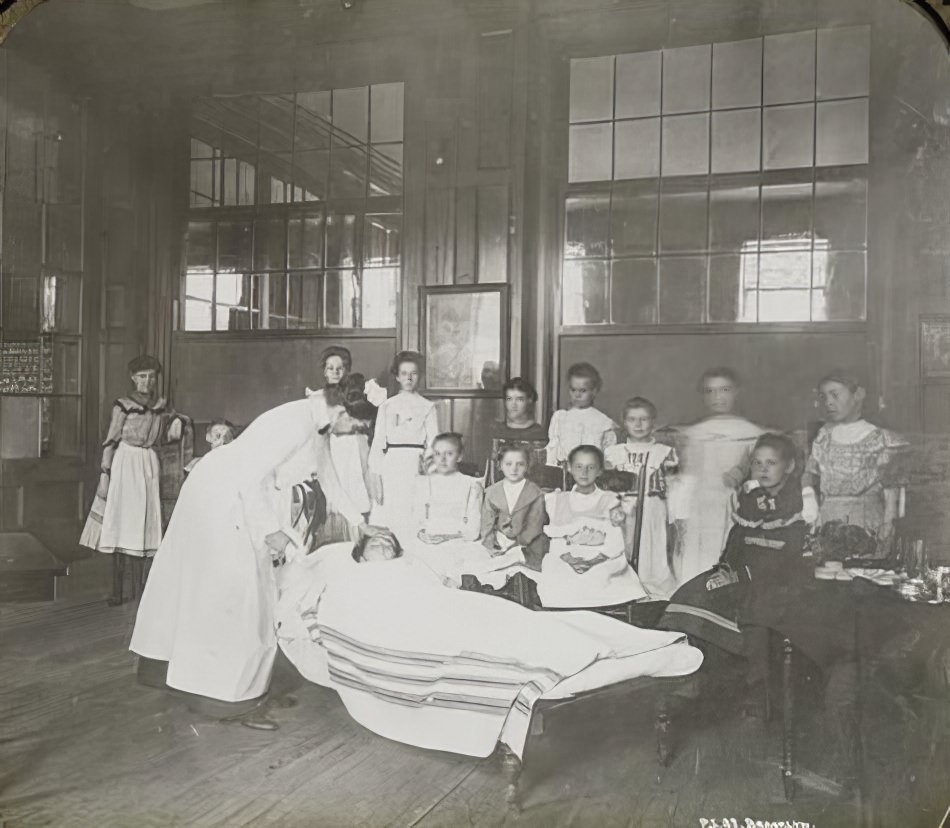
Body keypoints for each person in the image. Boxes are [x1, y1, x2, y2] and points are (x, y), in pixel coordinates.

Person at [129, 373, 377, 729]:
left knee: (222, 589)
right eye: (356, 425)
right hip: (225, 497)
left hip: (230, 492)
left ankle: (204, 683)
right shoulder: (294, 421)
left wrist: (359, 520)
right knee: (239, 593)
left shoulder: (315, 420)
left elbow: (328, 476)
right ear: (341, 412)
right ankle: (228, 700)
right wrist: (271, 532)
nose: (353, 432)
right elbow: (249, 478)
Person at [703, 433, 807, 715]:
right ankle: (714, 689)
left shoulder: (798, 502)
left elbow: (798, 556)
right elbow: (735, 544)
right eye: (757, 463)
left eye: (771, 463)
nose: (762, 469)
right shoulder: (749, 499)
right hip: (748, 579)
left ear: (788, 467)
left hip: (784, 584)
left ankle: (759, 696)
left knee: (758, 612)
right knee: (703, 597)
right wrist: (724, 570)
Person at [79, 355, 185, 606]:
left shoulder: (161, 406)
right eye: (142, 377)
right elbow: (111, 439)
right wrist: (105, 472)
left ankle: (141, 590)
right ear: (133, 378)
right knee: (123, 521)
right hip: (125, 462)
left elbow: (165, 435)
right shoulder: (123, 405)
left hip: (148, 462)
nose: (147, 381)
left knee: (145, 521)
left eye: (151, 376)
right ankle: (118, 590)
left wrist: (178, 425)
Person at [669, 367, 765, 585]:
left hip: (733, 504)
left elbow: (760, 470)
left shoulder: (750, 432)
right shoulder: (695, 433)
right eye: (710, 391)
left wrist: (742, 475)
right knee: (697, 554)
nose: (717, 397)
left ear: (736, 392)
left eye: (724, 390)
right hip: (700, 506)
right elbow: (687, 475)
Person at [802, 370, 908, 546]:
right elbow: (810, 474)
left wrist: (888, 522)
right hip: (828, 520)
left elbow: (893, 487)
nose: (828, 402)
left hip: (867, 521)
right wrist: (808, 500)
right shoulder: (823, 437)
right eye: (824, 396)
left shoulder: (883, 439)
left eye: (835, 395)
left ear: (858, 394)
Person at [535, 445, 646, 609]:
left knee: (598, 577)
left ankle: (595, 617)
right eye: (579, 467)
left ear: (600, 470)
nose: (584, 472)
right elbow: (555, 539)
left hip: (602, 556)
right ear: (570, 469)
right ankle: (564, 617)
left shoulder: (611, 500)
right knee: (557, 573)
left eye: (591, 467)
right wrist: (569, 559)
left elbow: (616, 540)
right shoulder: (557, 500)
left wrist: (593, 561)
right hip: (566, 555)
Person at [605, 397, 679, 598]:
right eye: (632, 419)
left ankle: (653, 588)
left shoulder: (664, 453)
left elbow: (674, 487)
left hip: (653, 508)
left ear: (653, 422)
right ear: (624, 422)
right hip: (623, 508)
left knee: (653, 547)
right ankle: (622, 587)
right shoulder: (614, 453)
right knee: (622, 544)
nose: (638, 425)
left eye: (644, 419)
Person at [368, 350, 439, 539]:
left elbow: (434, 443)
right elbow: (377, 444)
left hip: (416, 464)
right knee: (391, 510)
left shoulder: (427, 407)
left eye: (413, 373)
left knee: (414, 510)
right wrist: (376, 476)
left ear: (420, 376)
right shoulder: (387, 406)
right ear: (397, 376)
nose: (409, 377)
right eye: (404, 373)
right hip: (391, 465)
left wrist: (427, 467)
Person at [308, 346, 374, 538]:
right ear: (324, 371)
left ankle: (358, 529)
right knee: (335, 485)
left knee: (359, 485)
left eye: (340, 368)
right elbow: (320, 431)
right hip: (331, 446)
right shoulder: (317, 397)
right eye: (330, 368)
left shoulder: (354, 394)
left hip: (355, 445)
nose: (336, 372)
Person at [480, 442, 549, 570]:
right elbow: (486, 525)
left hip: (526, 542)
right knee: (480, 558)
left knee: (527, 557)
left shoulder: (535, 493)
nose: (514, 469)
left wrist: (516, 544)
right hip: (500, 539)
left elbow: (534, 526)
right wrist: (491, 545)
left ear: (527, 466)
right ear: (499, 465)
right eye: (508, 464)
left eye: (520, 464)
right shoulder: (492, 492)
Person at [545, 362, 618, 467]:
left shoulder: (603, 422)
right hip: (564, 471)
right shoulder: (561, 418)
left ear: (594, 391)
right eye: (573, 390)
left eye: (583, 391)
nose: (577, 395)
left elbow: (609, 453)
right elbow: (553, 449)